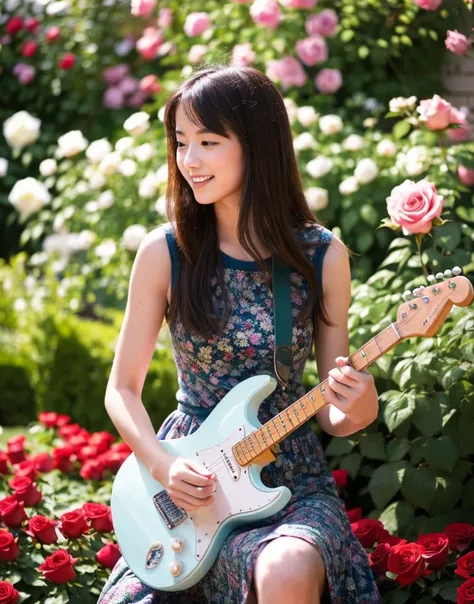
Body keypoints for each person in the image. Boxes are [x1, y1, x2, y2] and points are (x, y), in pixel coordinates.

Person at [98, 64, 381, 604]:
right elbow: (122, 389)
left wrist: (359, 404)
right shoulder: (166, 253)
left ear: (257, 146)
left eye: (208, 141)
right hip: (188, 478)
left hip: (289, 480)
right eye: (181, 142)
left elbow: (333, 410)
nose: (189, 160)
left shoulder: (322, 257)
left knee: (289, 566)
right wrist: (164, 463)